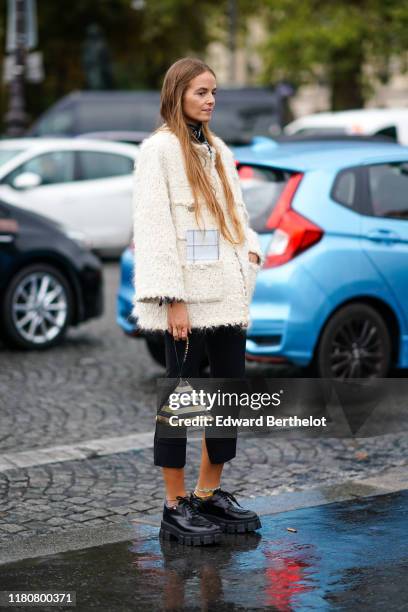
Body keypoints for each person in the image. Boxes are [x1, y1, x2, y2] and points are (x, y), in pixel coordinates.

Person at [132, 57, 264, 546]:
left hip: (227, 293)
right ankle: (174, 505)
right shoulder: (159, 151)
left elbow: (237, 213)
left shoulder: (218, 148)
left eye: (214, 92)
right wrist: (173, 298)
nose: (210, 100)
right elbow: (154, 230)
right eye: (201, 91)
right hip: (188, 297)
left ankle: (209, 494)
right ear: (178, 94)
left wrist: (250, 251)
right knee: (180, 401)